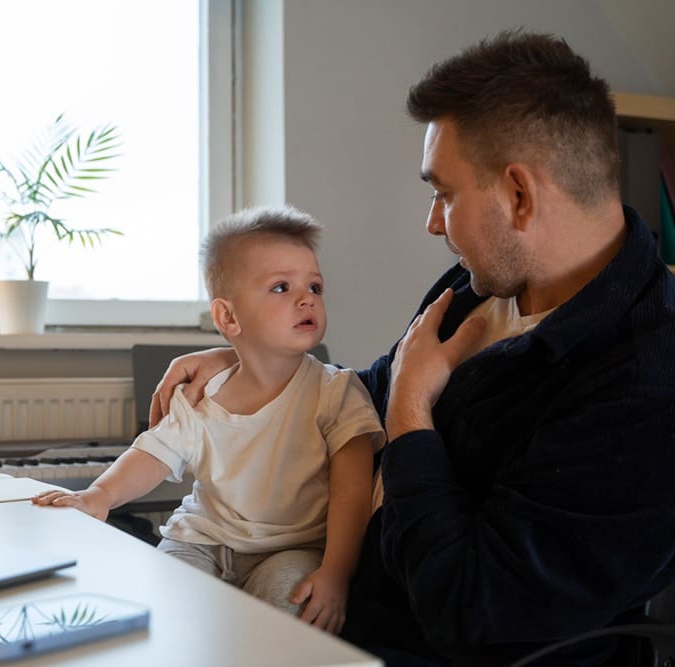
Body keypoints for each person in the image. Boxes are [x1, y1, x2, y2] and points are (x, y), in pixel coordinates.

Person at [149, 30, 675, 665]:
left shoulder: (648, 384)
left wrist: (413, 412)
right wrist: (252, 362)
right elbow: (366, 394)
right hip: (329, 604)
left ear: (519, 195)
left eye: (444, 194)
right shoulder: (480, 289)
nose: (433, 222)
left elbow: (468, 607)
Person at [33, 206, 384, 633]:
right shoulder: (201, 396)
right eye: (280, 287)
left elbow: (353, 493)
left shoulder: (336, 391)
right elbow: (152, 455)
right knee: (161, 604)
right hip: (200, 542)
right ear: (228, 318)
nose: (306, 297)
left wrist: (336, 574)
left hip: (292, 549)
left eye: (315, 285)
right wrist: (99, 495)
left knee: (291, 605)